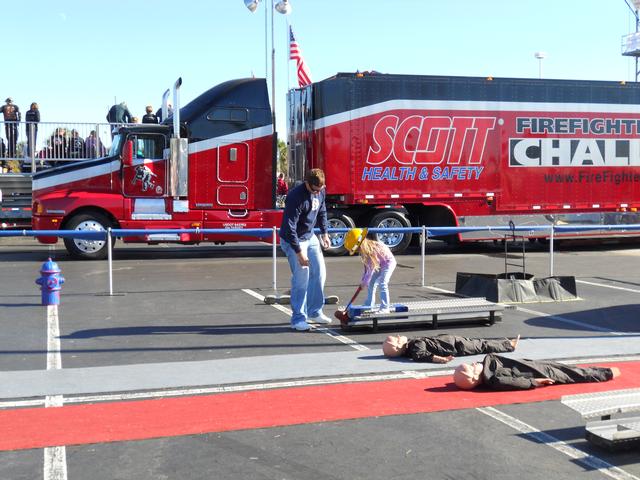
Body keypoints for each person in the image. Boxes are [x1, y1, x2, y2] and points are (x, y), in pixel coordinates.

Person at [279, 168, 332, 331]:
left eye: (320, 189)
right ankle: (298, 319)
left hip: (310, 237)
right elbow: (290, 227)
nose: (317, 192)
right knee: (302, 277)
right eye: (314, 190)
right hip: (294, 240)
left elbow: (322, 211)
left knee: (319, 273)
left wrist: (324, 233)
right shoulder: (295, 196)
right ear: (307, 183)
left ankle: (315, 311)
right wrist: (299, 252)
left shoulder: (320, 191)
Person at [453, 353, 621, 391]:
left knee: (569, 370)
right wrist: (535, 382)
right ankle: (607, 373)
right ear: (474, 377)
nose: (473, 363)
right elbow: (514, 381)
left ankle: (603, 372)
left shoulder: (488, 367)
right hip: (537, 372)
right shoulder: (494, 378)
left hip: (533, 366)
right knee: (573, 374)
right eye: (471, 366)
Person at [344, 228, 397, 313]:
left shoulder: (372, 251)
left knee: (382, 283)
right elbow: (366, 269)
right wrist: (363, 281)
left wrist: (364, 283)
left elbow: (371, 270)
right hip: (379, 264)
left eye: (357, 249)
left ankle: (385, 308)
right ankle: (369, 305)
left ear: (360, 245)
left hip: (388, 263)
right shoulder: (364, 252)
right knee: (371, 283)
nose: (357, 251)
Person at [383, 334, 520, 363]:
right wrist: (442, 359)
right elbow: (422, 355)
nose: (399, 335)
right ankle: (509, 346)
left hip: (453, 342)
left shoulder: (412, 347)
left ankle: (506, 343)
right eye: (396, 338)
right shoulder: (415, 346)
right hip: (455, 345)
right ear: (397, 347)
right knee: (482, 345)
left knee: (480, 342)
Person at [25, 102, 40, 169]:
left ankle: (32, 154)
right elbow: (26, 119)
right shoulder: (28, 112)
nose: (33, 106)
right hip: (28, 128)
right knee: (29, 141)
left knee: (33, 141)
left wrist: (32, 120)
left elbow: (38, 120)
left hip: (34, 128)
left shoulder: (37, 111)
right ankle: (29, 154)